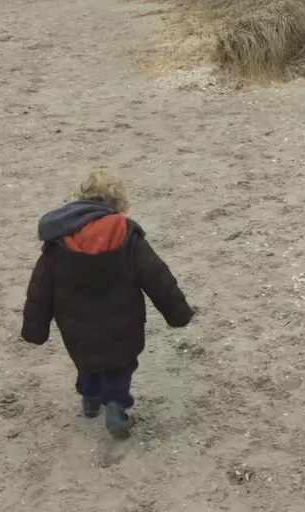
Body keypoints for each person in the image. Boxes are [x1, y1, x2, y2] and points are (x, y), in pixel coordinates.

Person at [22, 171, 194, 439]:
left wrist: (35, 329)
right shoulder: (128, 237)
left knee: (87, 363)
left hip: (76, 328)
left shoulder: (57, 243)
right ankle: (116, 404)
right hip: (123, 324)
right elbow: (157, 277)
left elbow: (40, 288)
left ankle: (90, 399)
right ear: (119, 203)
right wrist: (178, 313)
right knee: (120, 365)